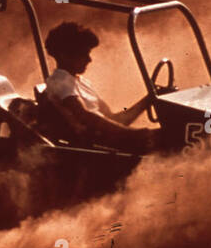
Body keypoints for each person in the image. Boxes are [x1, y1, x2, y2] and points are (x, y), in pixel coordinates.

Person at [42, 21, 159, 152]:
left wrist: (149, 99)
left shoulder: (81, 82)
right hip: (98, 149)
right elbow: (83, 116)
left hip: (111, 141)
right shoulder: (60, 81)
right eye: (83, 54)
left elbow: (115, 119)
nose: (89, 59)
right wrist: (131, 134)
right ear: (64, 55)